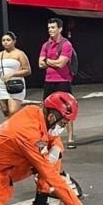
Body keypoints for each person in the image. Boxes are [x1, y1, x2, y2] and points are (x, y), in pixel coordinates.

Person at [38, 18, 76, 148]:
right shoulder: (46, 45)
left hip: (63, 81)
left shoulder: (66, 45)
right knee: (46, 110)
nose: (50, 30)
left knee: (67, 110)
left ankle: (70, 139)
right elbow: (40, 64)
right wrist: (53, 61)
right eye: (49, 28)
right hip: (49, 81)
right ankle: (46, 137)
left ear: (60, 29)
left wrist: (48, 61)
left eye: (53, 28)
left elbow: (61, 63)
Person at [0, 31, 31, 118]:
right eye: (3, 40)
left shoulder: (19, 54)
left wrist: (12, 74)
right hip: (1, 86)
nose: (5, 42)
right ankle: (9, 129)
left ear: (14, 41)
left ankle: (15, 128)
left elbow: (27, 71)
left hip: (15, 85)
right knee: (5, 111)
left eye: (8, 40)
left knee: (13, 111)